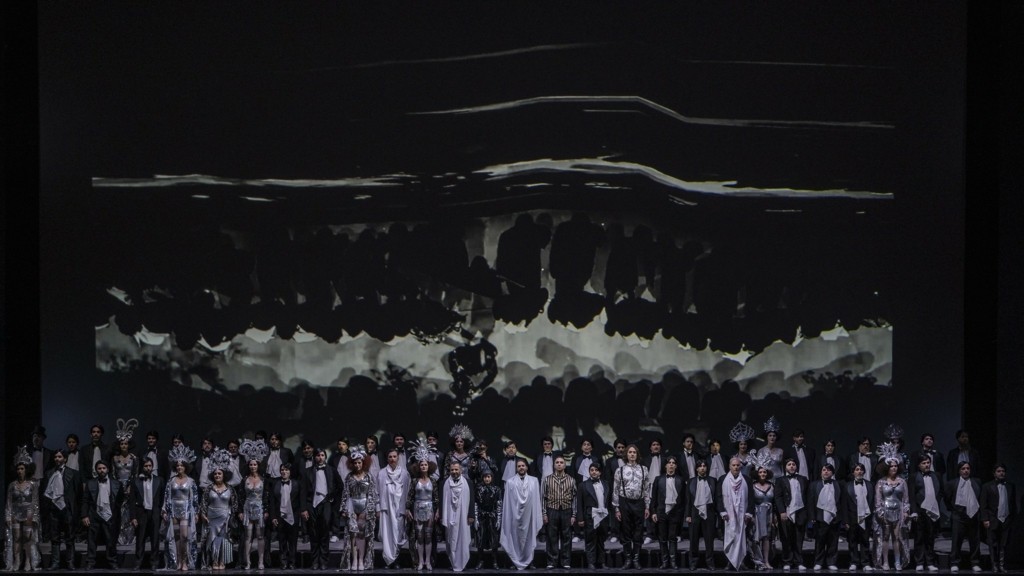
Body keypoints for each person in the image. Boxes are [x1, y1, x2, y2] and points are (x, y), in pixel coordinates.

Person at [612, 444, 650, 570]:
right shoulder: (620, 470)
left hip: (639, 503)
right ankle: (628, 559)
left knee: (638, 531)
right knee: (626, 531)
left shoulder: (644, 469)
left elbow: (646, 489)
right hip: (625, 503)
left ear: (637, 454)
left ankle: (636, 559)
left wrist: (647, 506)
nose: (632, 454)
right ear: (626, 454)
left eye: (634, 452)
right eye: (630, 452)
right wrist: (616, 508)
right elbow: (615, 490)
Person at [500, 458, 543, 571]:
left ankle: (530, 561)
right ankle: (515, 561)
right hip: (514, 516)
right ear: (516, 468)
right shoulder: (510, 482)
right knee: (515, 538)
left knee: (529, 538)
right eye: (519, 466)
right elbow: (507, 502)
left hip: (529, 516)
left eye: (523, 465)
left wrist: (536, 515)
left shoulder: (534, 481)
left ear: (527, 467)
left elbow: (536, 500)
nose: (521, 468)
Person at [43, 449, 83, 570]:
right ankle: (55, 562)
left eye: (59, 457)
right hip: (54, 509)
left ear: (65, 459)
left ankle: (70, 562)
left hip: (67, 509)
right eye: (55, 457)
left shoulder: (74, 473)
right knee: (54, 537)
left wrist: (77, 511)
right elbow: (45, 493)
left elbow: (78, 494)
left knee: (69, 537)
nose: (57, 459)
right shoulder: (49, 473)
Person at [341, 445, 378, 571]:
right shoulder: (349, 477)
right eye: (355, 463)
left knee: (361, 534)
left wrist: (370, 509)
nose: (357, 465)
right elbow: (345, 493)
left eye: (359, 462)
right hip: (351, 505)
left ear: (363, 463)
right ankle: (354, 560)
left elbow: (372, 494)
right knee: (352, 534)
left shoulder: (368, 476)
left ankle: (361, 560)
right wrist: (344, 509)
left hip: (364, 505)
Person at [162, 444, 199, 571]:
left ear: (186, 467)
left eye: (182, 465)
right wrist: (165, 510)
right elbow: (167, 496)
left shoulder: (191, 481)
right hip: (174, 509)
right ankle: (178, 561)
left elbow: (195, 498)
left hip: (186, 509)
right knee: (176, 536)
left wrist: (196, 512)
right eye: (177, 465)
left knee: (184, 536)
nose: (179, 467)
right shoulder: (171, 481)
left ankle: (185, 560)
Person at [874, 442, 910, 571]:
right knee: (885, 537)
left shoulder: (902, 482)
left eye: (895, 466)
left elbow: (906, 499)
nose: (894, 468)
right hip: (885, 511)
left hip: (898, 512)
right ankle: (885, 561)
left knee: (897, 537)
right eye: (891, 466)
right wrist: (880, 512)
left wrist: (906, 511)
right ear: (887, 468)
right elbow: (878, 500)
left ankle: (897, 561)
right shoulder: (881, 482)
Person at [82, 460, 123, 570]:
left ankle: (112, 561)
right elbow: (85, 500)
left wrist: (115, 513)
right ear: (96, 470)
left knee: (111, 540)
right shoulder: (90, 483)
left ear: (108, 469)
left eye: (104, 468)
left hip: (109, 514)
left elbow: (120, 500)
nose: (102, 470)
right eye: (99, 468)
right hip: (94, 514)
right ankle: (90, 562)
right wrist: (84, 515)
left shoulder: (116, 483)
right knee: (92, 541)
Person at [5, 449, 42, 571]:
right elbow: (9, 502)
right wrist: (7, 515)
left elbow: (35, 501)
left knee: (27, 537)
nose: (20, 471)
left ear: (26, 469)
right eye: (18, 469)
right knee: (16, 537)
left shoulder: (32, 484)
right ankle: (17, 560)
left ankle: (28, 560)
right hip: (15, 512)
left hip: (28, 512)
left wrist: (35, 516)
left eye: (22, 468)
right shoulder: (12, 485)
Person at [200, 449, 237, 571]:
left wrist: (231, 516)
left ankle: (222, 561)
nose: (217, 475)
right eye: (215, 474)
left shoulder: (230, 489)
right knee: (212, 540)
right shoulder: (209, 488)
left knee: (223, 540)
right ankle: (214, 561)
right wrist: (203, 514)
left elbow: (234, 504)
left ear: (224, 475)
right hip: (212, 517)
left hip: (225, 517)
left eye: (219, 473)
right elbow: (204, 502)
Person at [237, 438, 270, 570]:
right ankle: (248, 562)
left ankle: (261, 562)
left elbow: (266, 496)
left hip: (260, 508)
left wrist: (266, 510)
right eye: (251, 464)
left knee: (260, 536)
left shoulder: (264, 479)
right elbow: (240, 496)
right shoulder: (244, 479)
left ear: (258, 465)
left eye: (255, 464)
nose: (253, 466)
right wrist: (240, 511)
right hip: (247, 509)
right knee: (248, 537)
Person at [944, 461, 982, 573]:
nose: (966, 471)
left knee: (975, 540)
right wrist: (953, 509)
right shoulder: (952, 483)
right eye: (963, 469)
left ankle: (975, 563)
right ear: (959, 471)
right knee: (956, 540)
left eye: (968, 468)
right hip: (958, 515)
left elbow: (980, 497)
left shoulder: (976, 482)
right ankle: (954, 563)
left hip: (973, 514)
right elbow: (946, 498)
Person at [406, 443, 439, 572]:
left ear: (428, 466)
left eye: (425, 464)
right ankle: (420, 561)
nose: (423, 466)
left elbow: (436, 497)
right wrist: (407, 509)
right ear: (418, 467)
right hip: (417, 508)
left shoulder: (433, 481)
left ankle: (428, 561)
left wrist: (438, 510)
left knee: (428, 536)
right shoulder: (415, 481)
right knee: (419, 536)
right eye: (421, 465)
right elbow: (410, 496)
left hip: (429, 508)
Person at [302, 446, 336, 571]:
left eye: (322, 455)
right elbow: (303, 491)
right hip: (312, 504)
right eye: (318, 455)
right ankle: (315, 561)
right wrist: (304, 509)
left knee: (325, 533)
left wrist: (333, 500)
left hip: (325, 503)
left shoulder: (331, 470)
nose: (320, 458)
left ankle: (324, 561)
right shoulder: (307, 472)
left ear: (325, 457)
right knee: (313, 534)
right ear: (314, 457)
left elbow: (339, 486)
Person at [719, 456, 754, 571]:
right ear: (729, 466)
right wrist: (722, 511)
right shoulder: (723, 479)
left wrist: (749, 513)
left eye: (738, 465)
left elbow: (751, 498)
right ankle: (729, 562)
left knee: (742, 538)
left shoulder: (747, 479)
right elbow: (718, 497)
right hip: (727, 515)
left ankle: (741, 561)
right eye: (733, 465)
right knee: (729, 537)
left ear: (741, 467)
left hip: (742, 515)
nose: (736, 467)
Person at [980, 463, 1017, 573]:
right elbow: (983, 505)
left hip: (1006, 519)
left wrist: (1012, 518)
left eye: (1003, 471)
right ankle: (994, 565)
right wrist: (985, 519)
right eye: (999, 471)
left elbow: (1013, 503)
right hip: (993, 519)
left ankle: (1002, 565)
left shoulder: (1010, 486)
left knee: (1004, 544)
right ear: (994, 473)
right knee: (993, 543)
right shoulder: (987, 486)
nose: (1001, 473)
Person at [541, 455, 577, 569]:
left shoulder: (571, 480)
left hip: (567, 510)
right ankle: (552, 561)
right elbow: (543, 498)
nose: (559, 464)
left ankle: (566, 561)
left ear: (565, 465)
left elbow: (574, 498)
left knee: (567, 536)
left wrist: (574, 514)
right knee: (552, 537)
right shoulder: (547, 479)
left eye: (561, 462)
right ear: (554, 465)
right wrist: (544, 513)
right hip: (552, 510)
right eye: (557, 462)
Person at [908, 453, 941, 572]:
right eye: (924, 463)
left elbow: (940, 491)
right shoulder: (914, 476)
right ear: (919, 465)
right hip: (920, 510)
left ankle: (930, 562)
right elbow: (912, 495)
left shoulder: (936, 475)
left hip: (932, 510)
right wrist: (914, 511)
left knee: (930, 537)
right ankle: (919, 562)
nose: (927, 465)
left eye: (928, 462)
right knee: (919, 537)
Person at [377, 447, 410, 570]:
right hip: (386, 509)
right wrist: (377, 508)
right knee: (386, 535)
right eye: (390, 457)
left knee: (398, 534)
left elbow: (408, 492)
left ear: (398, 458)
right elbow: (376, 492)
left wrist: (407, 508)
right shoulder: (381, 473)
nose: (392, 459)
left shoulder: (405, 474)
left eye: (394, 456)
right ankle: (388, 561)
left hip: (399, 508)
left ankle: (396, 560)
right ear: (387, 458)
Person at [775, 457, 809, 571]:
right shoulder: (780, 480)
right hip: (787, 512)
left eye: (793, 464)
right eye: (789, 464)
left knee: (799, 539)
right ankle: (787, 561)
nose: (791, 466)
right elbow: (778, 497)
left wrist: (806, 513)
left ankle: (799, 562)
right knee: (786, 538)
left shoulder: (803, 479)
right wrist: (782, 511)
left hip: (800, 512)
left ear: (796, 466)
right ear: (785, 467)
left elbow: (807, 496)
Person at [651, 455, 685, 569]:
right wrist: (653, 512)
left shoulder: (680, 480)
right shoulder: (658, 479)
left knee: (673, 538)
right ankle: (665, 562)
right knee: (662, 538)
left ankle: (673, 561)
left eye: (673, 463)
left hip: (675, 513)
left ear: (676, 466)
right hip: (661, 512)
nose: (671, 464)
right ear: (665, 465)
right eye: (669, 463)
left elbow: (684, 499)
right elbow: (654, 497)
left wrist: (680, 513)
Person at [807, 463, 843, 571]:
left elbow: (841, 501)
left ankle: (831, 562)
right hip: (820, 517)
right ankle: (818, 562)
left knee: (833, 541)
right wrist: (812, 516)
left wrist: (841, 517)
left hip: (834, 517)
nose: (826, 472)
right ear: (821, 472)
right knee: (820, 542)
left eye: (828, 470)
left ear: (832, 473)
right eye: (824, 470)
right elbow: (810, 502)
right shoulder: (814, 485)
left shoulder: (838, 484)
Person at [131, 457, 165, 569]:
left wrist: (162, 512)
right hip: (141, 513)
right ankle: (138, 562)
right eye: (146, 466)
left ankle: (154, 562)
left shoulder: (159, 480)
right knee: (140, 539)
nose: (148, 468)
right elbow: (132, 500)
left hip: (155, 513)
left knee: (155, 539)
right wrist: (133, 517)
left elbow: (162, 498)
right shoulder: (136, 481)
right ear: (142, 467)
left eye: (150, 466)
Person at [440, 462, 475, 572]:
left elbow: (472, 500)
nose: (454, 472)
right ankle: (453, 562)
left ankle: (462, 562)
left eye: (456, 469)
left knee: (463, 537)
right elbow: (441, 501)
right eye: (452, 470)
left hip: (463, 516)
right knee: (450, 538)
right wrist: (441, 515)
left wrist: (471, 515)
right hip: (449, 514)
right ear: (449, 471)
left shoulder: (468, 483)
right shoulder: (444, 483)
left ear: (461, 470)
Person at [110, 418, 140, 547]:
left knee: (129, 511)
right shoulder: (114, 458)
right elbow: (112, 474)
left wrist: (131, 487)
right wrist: (115, 488)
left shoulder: (134, 458)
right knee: (119, 512)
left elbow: (136, 474)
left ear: (129, 445)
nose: (124, 446)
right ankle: (119, 536)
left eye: (126, 444)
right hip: (118, 487)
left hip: (129, 486)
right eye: (122, 444)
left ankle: (129, 536)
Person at [748, 453, 779, 570]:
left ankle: (766, 561)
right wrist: (751, 515)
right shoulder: (752, 486)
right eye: (760, 472)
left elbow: (775, 502)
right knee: (756, 538)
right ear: (757, 473)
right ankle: (758, 561)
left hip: (769, 514)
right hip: (757, 513)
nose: (762, 474)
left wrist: (775, 516)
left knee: (767, 538)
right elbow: (749, 502)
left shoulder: (772, 485)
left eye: (764, 472)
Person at [577, 462, 611, 570]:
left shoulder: (606, 483)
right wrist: (580, 518)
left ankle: (601, 562)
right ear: (589, 472)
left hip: (603, 515)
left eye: (596, 470)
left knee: (601, 540)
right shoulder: (583, 485)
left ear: (600, 472)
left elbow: (608, 501)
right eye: (592, 470)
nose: (594, 472)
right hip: (590, 516)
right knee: (590, 540)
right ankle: (591, 562)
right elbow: (579, 503)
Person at [686, 459, 718, 571]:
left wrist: (717, 513)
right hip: (694, 512)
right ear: (697, 468)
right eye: (700, 466)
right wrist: (688, 515)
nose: (702, 468)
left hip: (709, 512)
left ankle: (710, 562)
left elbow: (717, 498)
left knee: (709, 540)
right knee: (693, 539)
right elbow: (688, 500)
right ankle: (693, 562)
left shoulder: (713, 480)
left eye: (704, 466)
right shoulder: (691, 481)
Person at [268, 463, 301, 570]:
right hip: (280, 516)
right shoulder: (276, 484)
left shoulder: (296, 483)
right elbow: (272, 502)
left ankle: (292, 562)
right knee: (282, 540)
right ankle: (283, 562)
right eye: (282, 470)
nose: (284, 472)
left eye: (286, 470)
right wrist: (273, 517)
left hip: (293, 515)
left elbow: (300, 500)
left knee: (293, 541)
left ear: (290, 472)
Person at [843, 463, 875, 572]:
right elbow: (844, 504)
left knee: (865, 541)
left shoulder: (870, 485)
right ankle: (854, 562)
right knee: (852, 541)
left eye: (861, 469)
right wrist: (846, 520)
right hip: (852, 518)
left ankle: (865, 563)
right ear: (853, 472)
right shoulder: (847, 485)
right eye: (857, 469)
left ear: (864, 471)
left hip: (866, 517)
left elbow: (872, 501)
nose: (859, 471)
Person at [475, 468, 503, 570]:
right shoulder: (478, 489)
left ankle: (494, 561)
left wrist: (499, 519)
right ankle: (480, 560)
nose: (487, 479)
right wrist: (476, 519)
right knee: (480, 539)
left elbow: (499, 505)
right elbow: (476, 504)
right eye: (485, 477)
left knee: (494, 540)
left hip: (492, 517)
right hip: (482, 517)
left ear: (492, 477)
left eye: (488, 477)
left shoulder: (497, 489)